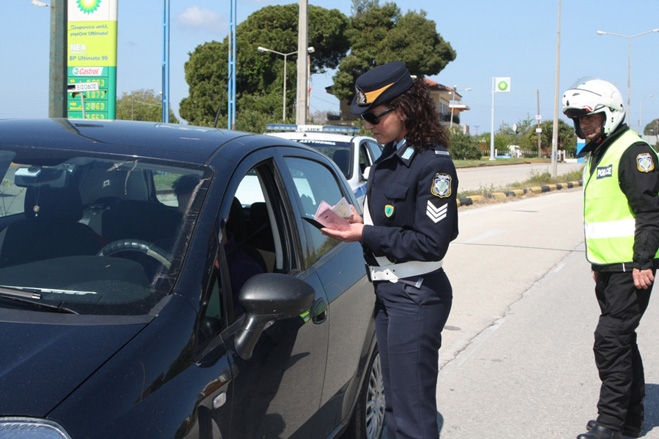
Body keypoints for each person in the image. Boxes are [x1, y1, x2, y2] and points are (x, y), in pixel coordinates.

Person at [322, 61, 459, 439]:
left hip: (415, 295)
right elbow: (391, 219)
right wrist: (355, 219)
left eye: (374, 116)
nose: (369, 125)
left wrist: (364, 234)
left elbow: (431, 242)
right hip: (389, 292)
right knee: (394, 407)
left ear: (404, 109)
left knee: (412, 415)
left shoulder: (433, 166)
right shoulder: (390, 156)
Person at [563, 77, 659, 439]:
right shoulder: (601, 151)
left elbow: (650, 212)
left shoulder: (634, 152)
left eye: (591, 118)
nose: (584, 125)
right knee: (622, 341)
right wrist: (597, 264)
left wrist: (643, 261)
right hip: (609, 268)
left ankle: (611, 424)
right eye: (579, 120)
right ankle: (630, 421)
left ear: (612, 114)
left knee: (609, 341)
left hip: (631, 269)